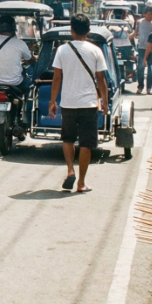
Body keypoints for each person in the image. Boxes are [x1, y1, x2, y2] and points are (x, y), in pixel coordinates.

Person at [50, 14, 109, 191]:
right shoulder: (96, 51)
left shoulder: (62, 50)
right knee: (86, 144)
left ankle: (70, 170)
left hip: (68, 103)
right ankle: (81, 183)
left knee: (67, 139)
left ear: (71, 30)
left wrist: (53, 101)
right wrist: (104, 101)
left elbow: (57, 78)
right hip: (89, 104)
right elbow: (101, 80)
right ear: (89, 31)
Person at [0, 15, 33, 127]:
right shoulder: (20, 44)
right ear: (13, 28)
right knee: (30, 87)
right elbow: (29, 60)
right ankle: (26, 117)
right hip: (16, 83)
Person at [131, 6, 152, 94]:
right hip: (142, 48)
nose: (150, 16)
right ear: (144, 14)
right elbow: (135, 32)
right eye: (148, 14)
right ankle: (140, 86)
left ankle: (149, 88)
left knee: (151, 69)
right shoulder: (139, 22)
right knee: (140, 68)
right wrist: (128, 38)